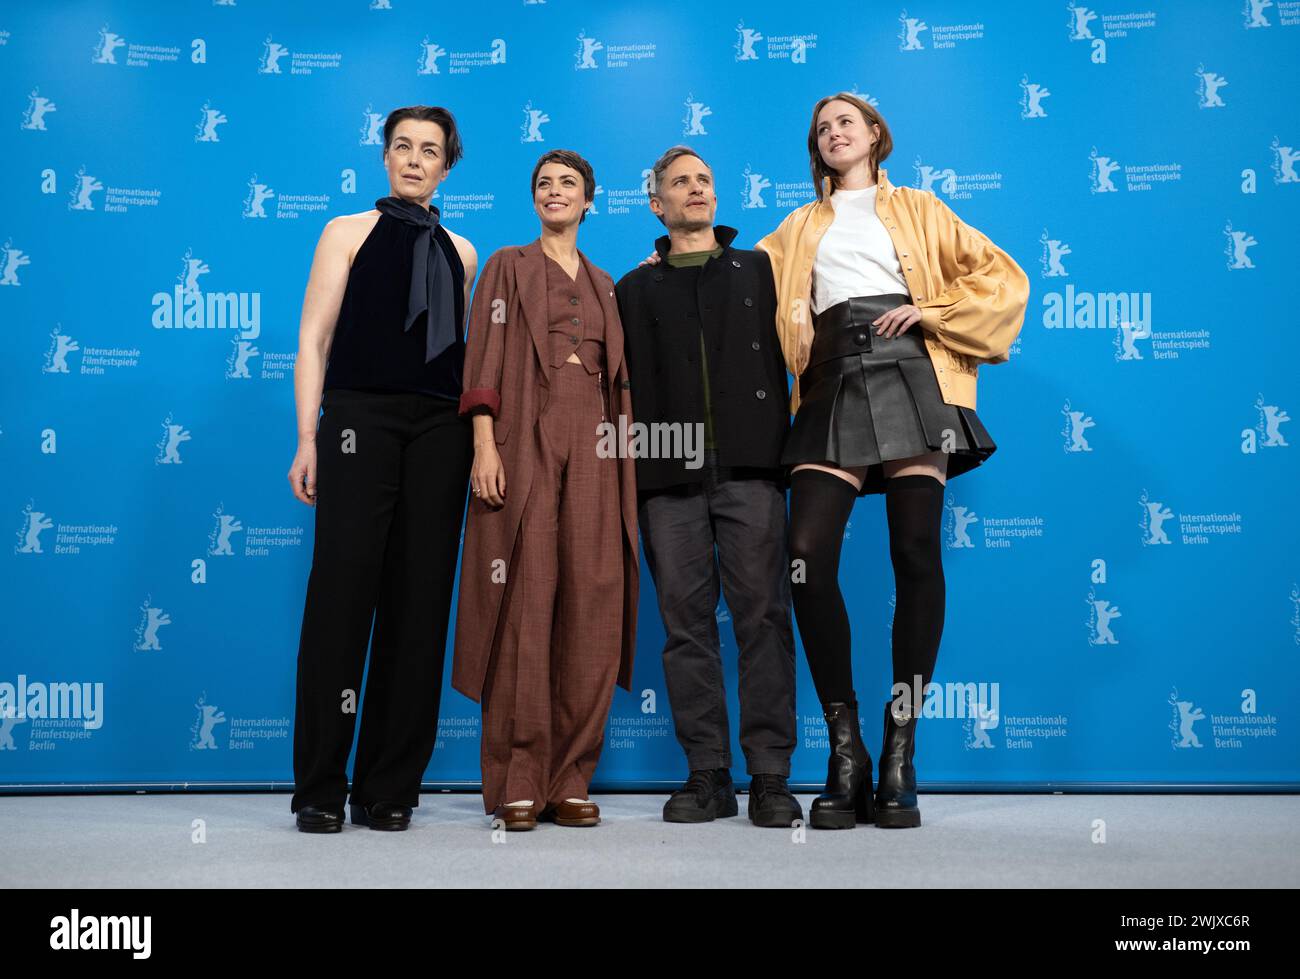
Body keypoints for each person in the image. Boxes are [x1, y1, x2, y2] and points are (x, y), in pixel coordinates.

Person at [758, 92, 1029, 829]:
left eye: (846, 121)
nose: (834, 132)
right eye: (822, 127)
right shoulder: (795, 226)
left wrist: (934, 314)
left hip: (914, 376)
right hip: (830, 380)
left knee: (915, 550)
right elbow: (744, 291)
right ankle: (844, 748)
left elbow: (1000, 276)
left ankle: (899, 748)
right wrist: (676, 261)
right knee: (807, 553)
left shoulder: (918, 206)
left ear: (876, 135)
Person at [287, 106, 478, 833]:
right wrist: (309, 436)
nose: (414, 159)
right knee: (341, 595)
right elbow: (314, 338)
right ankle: (320, 788)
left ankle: (390, 785)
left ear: (447, 166)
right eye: (402, 146)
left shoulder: (462, 250)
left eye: (429, 150)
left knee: (419, 602)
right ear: (385, 156)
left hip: (440, 429)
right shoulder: (345, 231)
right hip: (358, 418)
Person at [453, 149, 639, 831]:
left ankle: (571, 778)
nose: (554, 191)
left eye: (567, 184)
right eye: (543, 183)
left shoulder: (606, 283)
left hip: (597, 444)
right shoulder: (507, 265)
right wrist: (483, 444)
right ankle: (519, 778)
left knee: (593, 599)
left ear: (589, 200)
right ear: (533, 198)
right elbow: (480, 359)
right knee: (524, 603)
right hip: (522, 439)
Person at [616, 146, 801, 828]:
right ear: (656, 204)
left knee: (764, 619)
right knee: (685, 628)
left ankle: (772, 777)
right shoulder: (632, 289)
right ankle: (708, 774)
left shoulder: (760, 270)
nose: (695, 190)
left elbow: (800, 353)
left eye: (704, 181)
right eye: (679, 183)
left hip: (753, 465)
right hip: (666, 473)